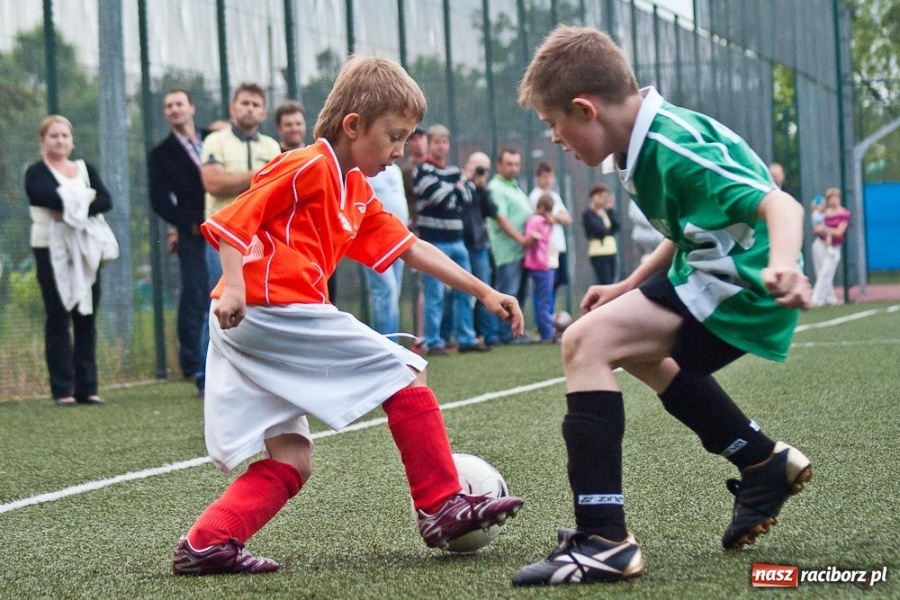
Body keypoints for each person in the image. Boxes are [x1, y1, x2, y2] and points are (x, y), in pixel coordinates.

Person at [171, 56, 525, 576]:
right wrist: (236, 288)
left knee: (293, 458)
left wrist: (483, 290)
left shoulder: (354, 189)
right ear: (353, 125)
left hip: (269, 321)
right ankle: (440, 505)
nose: (400, 151)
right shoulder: (306, 164)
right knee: (406, 370)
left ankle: (208, 542)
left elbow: (410, 247)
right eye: (394, 136)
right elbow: (231, 221)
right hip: (274, 311)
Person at [512, 25, 813, 586]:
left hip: (741, 289)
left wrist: (787, 266)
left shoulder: (673, 147)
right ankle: (761, 461)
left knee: (587, 342)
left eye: (554, 125)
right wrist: (630, 285)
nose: (555, 139)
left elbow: (779, 204)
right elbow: (688, 225)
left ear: (586, 109)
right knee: (622, 343)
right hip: (705, 275)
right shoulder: (641, 141)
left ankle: (604, 539)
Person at [196, 82, 281, 395]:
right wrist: (259, 177)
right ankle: (210, 377)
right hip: (222, 239)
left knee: (258, 305)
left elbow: (278, 191)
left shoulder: (272, 146)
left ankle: (254, 374)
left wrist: (260, 182)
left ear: (264, 111)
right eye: (244, 103)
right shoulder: (215, 141)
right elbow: (214, 183)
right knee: (220, 301)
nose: (250, 109)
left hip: (259, 240)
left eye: (256, 105)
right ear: (232, 109)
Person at [25, 115, 113, 406]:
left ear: (71, 140)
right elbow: (43, 196)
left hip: (86, 248)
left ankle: (87, 387)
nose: (60, 140)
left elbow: (105, 200)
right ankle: (63, 388)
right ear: (43, 141)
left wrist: (72, 209)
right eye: (53, 136)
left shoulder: (85, 169)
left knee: (86, 315)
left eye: (64, 135)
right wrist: (82, 201)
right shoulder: (36, 172)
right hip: (50, 248)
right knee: (58, 315)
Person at [148, 89, 210, 385]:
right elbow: (160, 201)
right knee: (196, 293)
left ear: (191, 107)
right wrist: (188, 225)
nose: (174, 110)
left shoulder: (214, 139)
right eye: (168, 106)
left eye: (178, 104)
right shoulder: (160, 155)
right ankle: (192, 363)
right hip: (194, 232)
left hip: (228, 227)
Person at [413, 125, 488, 354]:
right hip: (433, 242)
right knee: (435, 295)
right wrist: (457, 189)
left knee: (465, 291)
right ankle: (434, 341)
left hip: (457, 241)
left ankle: (466, 338)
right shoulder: (423, 170)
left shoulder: (455, 172)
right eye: (437, 142)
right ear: (429, 143)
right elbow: (441, 198)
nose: (441, 146)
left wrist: (455, 189)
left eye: (445, 142)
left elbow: (468, 197)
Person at [487, 148, 536, 344]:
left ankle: (517, 332)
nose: (513, 168)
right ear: (499, 165)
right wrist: (521, 240)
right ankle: (505, 334)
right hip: (507, 252)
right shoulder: (496, 187)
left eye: (516, 164)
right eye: (509, 164)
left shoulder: (514, 186)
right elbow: (501, 218)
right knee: (508, 293)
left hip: (522, 251)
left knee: (520, 293)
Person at [363, 162, 407, 336]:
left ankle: (388, 342)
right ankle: (388, 344)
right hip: (374, 240)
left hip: (399, 239)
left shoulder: (395, 169)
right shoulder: (366, 168)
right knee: (385, 290)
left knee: (393, 291)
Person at [462, 152, 500, 346]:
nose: (481, 173)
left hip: (480, 244)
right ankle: (466, 335)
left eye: (485, 170)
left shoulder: (483, 190)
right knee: (464, 291)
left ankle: (487, 334)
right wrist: (467, 182)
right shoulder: (460, 184)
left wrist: (482, 187)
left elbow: (492, 211)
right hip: (463, 242)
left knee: (485, 288)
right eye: (478, 168)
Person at [528, 162, 572, 310]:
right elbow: (547, 219)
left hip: (559, 247)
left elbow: (567, 219)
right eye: (545, 177)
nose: (548, 180)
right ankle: (543, 322)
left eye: (551, 176)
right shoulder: (535, 196)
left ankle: (550, 317)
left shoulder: (555, 196)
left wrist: (556, 217)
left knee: (556, 283)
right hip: (544, 249)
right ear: (538, 178)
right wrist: (556, 217)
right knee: (544, 286)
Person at [524, 194, 558, 342]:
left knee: (545, 299)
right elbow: (530, 237)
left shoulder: (546, 221)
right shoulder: (536, 220)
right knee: (544, 300)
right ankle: (546, 332)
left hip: (547, 264)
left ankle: (547, 329)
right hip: (540, 264)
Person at [811, 188, 850, 307]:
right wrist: (821, 230)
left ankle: (816, 299)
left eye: (836, 197)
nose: (834, 199)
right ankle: (829, 298)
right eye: (831, 197)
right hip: (820, 244)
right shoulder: (824, 213)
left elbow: (839, 232)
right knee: (820, 271)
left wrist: (826, 230)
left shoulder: (844, 213)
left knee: (826, 271)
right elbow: (816, 229)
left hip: (834, 246)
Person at [583, 182, 620, 284]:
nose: (602, 199)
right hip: (598, 253)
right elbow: (600, 229)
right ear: (593, 196)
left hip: (611, 250)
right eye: (599, 196)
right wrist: (608, 230)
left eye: (604, 196)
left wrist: (610, 210)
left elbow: (617, 226)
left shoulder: (606, 212)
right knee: (605, 282)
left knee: (611, 282)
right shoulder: (589, 214)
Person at [628, 199, 664, 264]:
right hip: (643, 239)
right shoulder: (636, 197)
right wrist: (656, 220)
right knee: (646, 264)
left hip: (659, 239)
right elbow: (637, 216)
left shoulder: (659, 194)